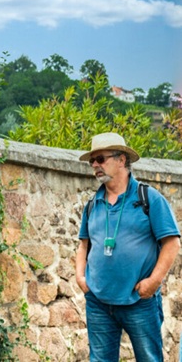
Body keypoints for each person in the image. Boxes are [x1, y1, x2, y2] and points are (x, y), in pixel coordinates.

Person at [75, 132, 180, 361]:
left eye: (100, 159)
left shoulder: (148, 198)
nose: (95, 165)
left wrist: (153, 282)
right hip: (99, 302)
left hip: (138, 302)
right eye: (92, 161)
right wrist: (81, 278)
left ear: (121, 160)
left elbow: (172, 243)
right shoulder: (92, 204)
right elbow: (83, 245)